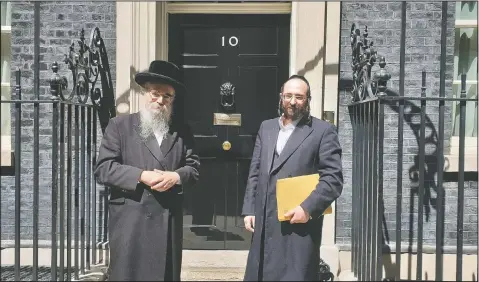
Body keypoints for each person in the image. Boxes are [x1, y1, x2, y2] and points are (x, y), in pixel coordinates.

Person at [94, 60, 200, 281]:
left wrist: (177, 176)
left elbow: (194, 168)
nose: (160, 100)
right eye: (155, 93)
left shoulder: (181, 130)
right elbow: (103, 169)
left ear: (173, 99)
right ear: (145, 92)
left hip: (167, 222)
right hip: (131, 222)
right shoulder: (119, 126)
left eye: (167, 96)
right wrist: (141, 175)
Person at [241, 75, 343, 281]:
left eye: (299, 97)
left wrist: (307, 209)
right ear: (281, 97)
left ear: (308, 100)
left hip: (298, 223)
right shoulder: (267, 127)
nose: (293, 102)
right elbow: (256, 169)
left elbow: (333, 179)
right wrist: (250, 208)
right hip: (265, 220)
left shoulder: (323, 131)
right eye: (288, 96)